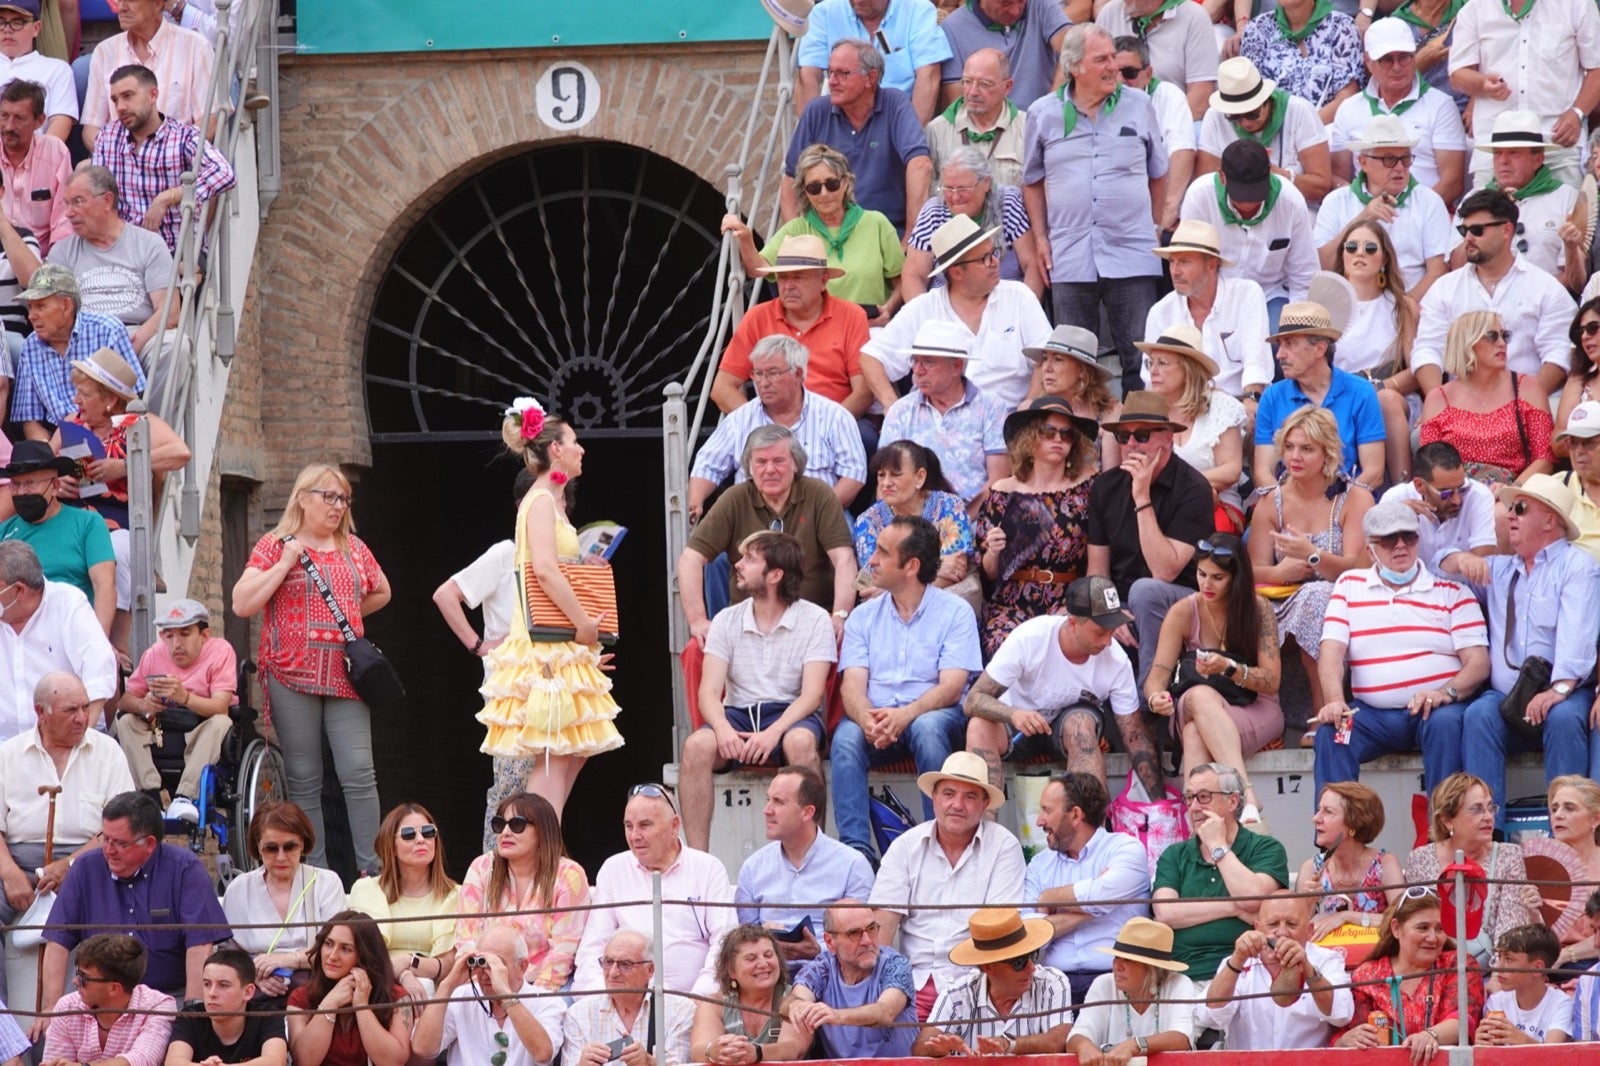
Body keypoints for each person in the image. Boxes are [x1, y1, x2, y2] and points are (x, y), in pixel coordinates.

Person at [230, 462, 391, 875]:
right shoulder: (273, 544)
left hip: (345, 672)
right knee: (304, 777)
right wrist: (284, 564)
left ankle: (372, 872)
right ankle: (314, 874)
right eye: (329, 497)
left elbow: (382, 591)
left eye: (343, 499)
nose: (338, 506)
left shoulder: (353, 547)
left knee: (359, 771)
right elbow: (242, 603)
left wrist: (345, 622)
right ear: (303, 497)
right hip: (291, 673)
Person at [477, 401, 620, 818]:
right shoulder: (539, 501)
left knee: (573, 750)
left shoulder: (551, 502)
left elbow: (551, 564)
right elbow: (541, 569)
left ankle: (546, 846)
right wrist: (582, 624)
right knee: (555, 754)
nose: (581, 449)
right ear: (555, 449)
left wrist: (579, 565)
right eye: (574, 442)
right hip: (546, 644)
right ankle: (538, 846)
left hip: (558, 643)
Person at [1443, 475, 1600, 823]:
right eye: (1510, 508)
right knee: (1478, 715)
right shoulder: (1498, 568)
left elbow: (1579, 633)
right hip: (1508, 695)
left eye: (1520, 508)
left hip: (1564, 691)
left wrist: (1558, 689)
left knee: (1563, 718)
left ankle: (1569, 838)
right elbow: (1437, 566)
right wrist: (1459, 559)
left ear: (1550, 519)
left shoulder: (1579, 566)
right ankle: (1488, 837)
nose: (1510, 515)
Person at [1023, 24, 1168, 396]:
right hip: (1069, 255)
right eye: (1101, 59)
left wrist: (1150, 225)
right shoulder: (1043, 113)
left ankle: (1139, 442)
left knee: (1141, 359)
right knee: (1073, 362)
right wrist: (1041, 238)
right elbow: (1032, 181)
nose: (1113, 69)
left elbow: (1158, 173)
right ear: (1074, 67)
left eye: (1114, 60)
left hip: (1133, 253)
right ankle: (1081, 446)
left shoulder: (1140, 104)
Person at [1311, 498, 1485, 790]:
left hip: (1436, 710)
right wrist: (1334, 701)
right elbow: (1331, 652)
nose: (1401, 545)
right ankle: (1337, 832)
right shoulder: (1349, 585)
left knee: (1446, 724)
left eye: (1409, 536)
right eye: (1390, 539)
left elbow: (1479, 663)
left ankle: (1443, 831)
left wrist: (1445, 693)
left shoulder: (1454, 592)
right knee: (1333, 732)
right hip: (1372, 715)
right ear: (1370, 549)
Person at [835, 515, 980, 863]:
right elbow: (851, 686)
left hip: (934, 714)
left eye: (883, 553)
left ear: (911, 566)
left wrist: (905, 715)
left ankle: (942, 843)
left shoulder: (955, 612)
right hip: (879, 717)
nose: (871, 560)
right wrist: (869, 719)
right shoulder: (862, 616)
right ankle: (856, 854)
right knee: (846, 738)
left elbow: (952, 687)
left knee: (927, 729)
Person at [680, 531, 833, 851]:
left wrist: (773, 733)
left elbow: (811, 695)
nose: (738, 564)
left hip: (790, 714)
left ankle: (815, 853)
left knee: (801, 742)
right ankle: (697, 861)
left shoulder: (815, 619)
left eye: (750, 559)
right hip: (737, 714)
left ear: (775, 574)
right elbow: (708, 692)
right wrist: (722, 730)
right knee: (696, 746)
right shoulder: (726, 620)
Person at [40, 791, 230, 1020]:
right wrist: (51, 1009)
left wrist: (193, 1012)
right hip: (97, 1002)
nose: (108, 850)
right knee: (45, 1039)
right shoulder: (84, 869)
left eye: (119, 843)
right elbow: (57, 941)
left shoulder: (184, 868)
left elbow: (200, 945)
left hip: (167, 1000)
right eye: (105, 839)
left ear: (149, 843)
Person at [0, 670, 130, 1002]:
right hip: (16, 859)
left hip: (92, 859)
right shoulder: (7, 755)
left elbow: (119, 828)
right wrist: (10, 873)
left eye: (84, 708)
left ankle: (92, 1024)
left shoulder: (108, 751)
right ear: (40, 713)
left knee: (112, 925)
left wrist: (69, 865)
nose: (82, 718)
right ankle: (3, 1034)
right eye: (70, 710)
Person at [868, 751, 1026, 1019]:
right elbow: (882, 927)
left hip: (975, 985)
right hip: (908, 985)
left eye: (970, 797)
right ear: (934, 798)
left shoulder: (1003, 846)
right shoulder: (905, 846)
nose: (957, 804)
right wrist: (882, 989)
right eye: (949, 794)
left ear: (985, 803)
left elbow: (999, 929)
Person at [965, 576, 1157, 795]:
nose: (1107, 641)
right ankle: (985, 826)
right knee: (978, 726)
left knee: (1081, 725)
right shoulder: (1031, 637)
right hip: (1016, 729)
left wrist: (1159, 802)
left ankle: (1090, 823)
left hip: (1069, 733)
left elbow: (1134, 735)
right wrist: (1014, 714)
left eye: (1112, 631)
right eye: (1100, 631)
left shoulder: (1116, 658)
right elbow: (973, 700)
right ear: (1073, 623)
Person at [53, 346, 189, 647]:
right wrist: (58, 482)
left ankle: (116, 647)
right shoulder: (72, 422)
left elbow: (181, 453)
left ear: (110, 399)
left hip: (116, 519)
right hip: (73, 513)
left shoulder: (136, 423)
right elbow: (44, 467)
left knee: (119, 552)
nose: (76, 400)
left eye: (85, 394)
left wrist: (125, 466)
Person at [431, 471, 536, 850]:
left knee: (541, 800)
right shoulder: (505, 554)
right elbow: (446, 594)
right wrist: (478, 645)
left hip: (551, 694)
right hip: (509, 695)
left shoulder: (557, 559)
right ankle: (492, 883)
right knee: (510, 794)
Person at [1145, 533, 1282, 818]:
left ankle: (1199, 838)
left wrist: (1227, 668)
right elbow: (1158, 674)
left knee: (1196, 732)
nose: (1206, 584)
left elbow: (1271, 680)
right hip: (1194, 703)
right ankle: (1246, 794)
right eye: (1201, 574)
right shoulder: (1183, 611)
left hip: (1254, 707)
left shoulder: (1258, 609)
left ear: (1236, 577)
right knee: (1198, 696)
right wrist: (1156, 697)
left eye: (1217, 577)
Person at [1249, 407, 1374, 715]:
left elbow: (1360, 569)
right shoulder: (1269, 501)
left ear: (1328, 452)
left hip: (1343, 603)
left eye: (1307, 449)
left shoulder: (1354, 498)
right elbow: (1249, 570)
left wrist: (1312, 556)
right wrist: (1279, 573)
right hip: (1279, 605)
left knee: (1317, 595)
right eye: (1289, 447)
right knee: (1305, 598)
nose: (1295, 456)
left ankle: (1324, 709)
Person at [679, 424, 856, 641]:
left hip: (811, 624)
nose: (769, 469)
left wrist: (839, 615)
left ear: (796, 464)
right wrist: (698, 621)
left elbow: (844, 558)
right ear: (749, 468)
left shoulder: (819, 494)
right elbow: (690, 559)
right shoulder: (734, 498)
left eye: (778, 461)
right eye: (761, 462)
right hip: (747, 627)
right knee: (695, 651)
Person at [1085, 392, 1214, 679]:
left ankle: (1150, 700)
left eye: (1141, 435)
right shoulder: (1105, 487)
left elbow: (1164, 571)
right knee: (1071, 613)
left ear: (1167, 438)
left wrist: (1141, 495)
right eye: (1123, 436)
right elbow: (1097, 570)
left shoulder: (1194, 489)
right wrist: (1109, 611)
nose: (1130, 445)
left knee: (1146, 591)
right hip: (1120, 602)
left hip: (1181, 600)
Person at [863, 215, 1049, 413]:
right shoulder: (924, 308)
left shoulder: (1019, 297)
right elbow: (871, 358)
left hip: (1009, 419)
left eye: (993, 253)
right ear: (957, 273)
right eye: (984, 258)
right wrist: (894, 408)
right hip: (937, 422)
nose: (995, 262)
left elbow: (1046, 356)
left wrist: (1030, 403)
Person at [573, 784, 735, 997]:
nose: (634, 836)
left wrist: (697, 1001)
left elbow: (725, 943)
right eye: (628, 826)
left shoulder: (707, 868)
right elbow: (592, 949)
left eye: (645, 825)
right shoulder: (614, 869)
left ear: (674, 825)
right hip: (627, 1001)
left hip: (696, 999)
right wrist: (604, 998)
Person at [1412, 190, 1574, 398]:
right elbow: (1427, 350)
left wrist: (1523, 404)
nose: (1468, 238)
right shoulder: (1444, 288)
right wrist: (1440, 402)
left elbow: (1558, 355)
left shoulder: (1546, 288)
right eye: (1464, 230)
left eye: (1477, 230)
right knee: (1419, 432)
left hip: (1529, 404)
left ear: (1507, 230)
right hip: (1460, 405)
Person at [690, 335, 867, 522]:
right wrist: (696, 500)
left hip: (821, 516)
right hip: (751, 519)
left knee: (846, 541)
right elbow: (707, 465)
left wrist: (816, 513)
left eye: (772, 373)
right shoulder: (739, 419)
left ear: (798, 374)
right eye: (757, 374)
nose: (763, 383)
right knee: (707, 547)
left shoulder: (834, 416)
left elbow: (854, 473)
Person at [974, 396, 1099, 656]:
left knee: (1061, 648)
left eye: (1066, 434)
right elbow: (989, 573)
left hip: (1067, 598)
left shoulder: (1088, 488)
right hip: (1011, 601)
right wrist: (994, 551)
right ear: (1031, 437)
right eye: (1048, 432)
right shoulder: (1002, 491)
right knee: (1003, 647)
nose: (1058, 439)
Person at [722, 144, 904, 322]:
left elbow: (902, 281)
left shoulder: (876, 223)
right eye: (814, 188)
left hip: (870, 330)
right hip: (818, 335)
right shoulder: (796, 229)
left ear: (846, 182)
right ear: (805, 192)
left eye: (831, 184)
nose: (824, 194)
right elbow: (758, 269)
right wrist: (745, 238)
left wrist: (887, 311)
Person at [1151, 763, 1290, 979]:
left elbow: (1252, 899)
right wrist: (1234, 908)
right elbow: (1165, 913)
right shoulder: (1174, 854)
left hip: (1250, 973)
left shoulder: (1266, 848)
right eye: (1189, 798)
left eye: (1204, 797)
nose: (1194, 807)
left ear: (1232, 801)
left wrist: (1218, 846)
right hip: (1185, 976)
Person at [1024, 772, 1151, 1005]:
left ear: (1075, 815)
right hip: (1054, 983)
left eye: (1047, 810)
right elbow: (1030, 936)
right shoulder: (1039, 865)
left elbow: (1099, 896)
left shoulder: (1126, 849)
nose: (1039, 821)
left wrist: (1048, 898)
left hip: (1117, 980)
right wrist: (1096, 906)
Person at [710, 233, 871, 417]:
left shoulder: (852, 316)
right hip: (771, 427)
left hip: (834, 421)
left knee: (865, 436)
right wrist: (761, 424)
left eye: (798, 277)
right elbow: (721, 388)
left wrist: (827, 426)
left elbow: (863, 393)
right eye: (783, 278)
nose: (788, 286)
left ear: (824, 280)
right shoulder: (757, 317)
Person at [43, 164, 177, 382]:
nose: (69, 213)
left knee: (173, 347)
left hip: (138, 334)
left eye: (78, 201)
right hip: (86, 339)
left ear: (107, 200)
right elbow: (56, 315)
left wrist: (131, 344)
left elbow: (170, 311)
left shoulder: (149, 244)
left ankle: (150, 416)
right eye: (67, 204)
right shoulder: (62, 252)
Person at [1448, 0, 1600, 188]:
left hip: (1557, 141)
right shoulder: (1475, 8)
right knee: (1486, 216)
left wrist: (1578, 113)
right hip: (1494, 147)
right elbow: (1457, 74)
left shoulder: (1577, 4)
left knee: (1565, 216)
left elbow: (1597, 68)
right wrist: (1482, 84)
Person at [785, 39, 931, 233]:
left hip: (886, 233)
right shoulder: (817, 111)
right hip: (827, 234)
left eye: (842, 73)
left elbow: (920, 163)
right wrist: (797, 238)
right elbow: (790, 178)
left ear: (871, 78)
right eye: (830, 72)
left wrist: (912, 236)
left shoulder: (895, 104)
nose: (833, 82)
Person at [90, 63, 234, 255]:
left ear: (153, 95)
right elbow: (98, 195)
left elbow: (224, 173)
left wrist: (168, 197)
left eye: (128, 96)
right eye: (115, 100)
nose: (120, 107)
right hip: (125, 254)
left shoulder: (183, 136)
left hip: (176, 252)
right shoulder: (107, 137)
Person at [114, 598, 235, 824]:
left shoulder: (221, 651)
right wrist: (143, 704)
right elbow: (125, 700)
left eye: (185, 634)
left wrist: (185, 697)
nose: (176, 644)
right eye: (169, 636)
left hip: (202, 726)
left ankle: (185, 797)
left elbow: (221, 705)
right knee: (126, 722)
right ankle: (148, 798)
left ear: (204, 635)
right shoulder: (154, 654)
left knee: (222, 722)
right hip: (162, 727)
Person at [872, 320, 1012, 510]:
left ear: (956, 366)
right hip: (911, 521)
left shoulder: (991, 407)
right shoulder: (901, 410)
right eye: (915, 360)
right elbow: (885, 482)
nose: (917, 371)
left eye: (928, 362)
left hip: (975, 517)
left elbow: (998, 481)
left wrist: (959, 523)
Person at [455, 792, 588, 992]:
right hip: (486, 981)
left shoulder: (568, 874)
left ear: (542, 831)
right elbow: (467, 939)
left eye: (517, 824)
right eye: (500, 824)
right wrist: (485, 983)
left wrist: (531, 999)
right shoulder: (481, 867)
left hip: (545, 986)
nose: (506, 832)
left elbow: (564, 949)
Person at [1329, 19, 1468, 207]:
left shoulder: (1441, 105)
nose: (1396, 67)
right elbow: (1339, 176)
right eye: (1387, 59)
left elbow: (1452, 182)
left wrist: (1411, 214)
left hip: (1423, 213)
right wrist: (1364, 211)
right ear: (1368, 62)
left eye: (1404, 57)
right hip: (1363, 218)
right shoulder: (1349, 108)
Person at [220, 802, 347, 1003]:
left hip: (315, 994)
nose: (281, 857)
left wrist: (289, 960)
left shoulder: (326, 883)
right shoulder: (239, 889)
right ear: (258, 847)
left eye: (290, 847)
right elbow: (228, 956)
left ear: (303, 844)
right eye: (271, 848)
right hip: (254, 995)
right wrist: (254, 976)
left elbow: (340, 950)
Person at [1402, 772, 1535, 965]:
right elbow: (1420, 926)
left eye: (1490, 808)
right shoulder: (1420, 859)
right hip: (1436, 970)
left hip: (1493, 972)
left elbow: (1510, 930)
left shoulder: (1509, 856)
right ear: (1447, 820)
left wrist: (1499, 976)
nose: (1488, 817)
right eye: (1477, 810)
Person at [1180, 139, 1317, 325]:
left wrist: (1295, 328)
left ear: (1270, 172)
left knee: (1281, 340)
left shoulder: (1291, 202)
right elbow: (1190, 265)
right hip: (1212, 297)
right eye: (1241, 195)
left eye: (1255, 193)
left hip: (1268, 296)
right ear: (1222, 177)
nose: (1248, 203)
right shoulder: (1199, 197)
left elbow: (1304, 276)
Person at [1315, 116, 1452, 301]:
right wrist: (1363, 219)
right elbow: (1323, 265)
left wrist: (1402, 311)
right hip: (1350, 307)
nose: (1399, 167)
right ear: (1363, 163)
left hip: (1410, 306)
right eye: (1389, 159)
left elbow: (1438, 271)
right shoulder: (1336, 201)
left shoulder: (1429, 201)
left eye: (1405, 158)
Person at [1252, 304, 1387, 490]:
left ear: (1320, 349)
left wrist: (1335, 508)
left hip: (1347, 503)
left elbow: (1374, 473)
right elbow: (1263, 472)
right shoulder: (1272, 396)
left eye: (1289, 343)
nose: (1279, 354)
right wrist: (1286, 505)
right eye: (1280, 344)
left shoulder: (1361, 392)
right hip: (1291, 504)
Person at [1334, 891, 1484, 1057]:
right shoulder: (1367, 975)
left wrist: (1430, 1036)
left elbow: (1464, 1019)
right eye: (1422, 928)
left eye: (1440, 929)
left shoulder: (1459, 964)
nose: (1432, 938)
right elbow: (1349, 1034)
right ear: (1396, 928)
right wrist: (1346, 1040)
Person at [736, 767, 873, 946]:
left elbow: (861, 939)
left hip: (832, 969)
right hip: (770, 969)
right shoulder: (753, 867)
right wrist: (774, 947)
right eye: (768, 799)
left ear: (807, 812)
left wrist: (819, 952)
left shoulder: (852, 865)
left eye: (778, 802)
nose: (767, 810)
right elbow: (746, 939)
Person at [1200, 892, 1355, 1048]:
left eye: (1291, 924)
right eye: (1273, 924)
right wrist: (1237, 959)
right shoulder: (1237, 960)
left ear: (1309, 931)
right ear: (1258, 928)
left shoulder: (1327, 959)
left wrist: (1306, 967)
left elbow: (1341, 1014)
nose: (1281, 932)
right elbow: (1209, 1017)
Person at [1143, 219, 1272, 407]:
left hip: (1239, 403)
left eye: (1184, 262)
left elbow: (1256, 360)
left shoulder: (1246, 294)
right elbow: (1151, 379)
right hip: (1183, 409)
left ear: (1211, 265)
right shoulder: (1160, 312)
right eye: (1172, 262)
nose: (1174, 271)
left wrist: (1251, 401)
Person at [1329, 220, 1420, 481]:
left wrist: (1379, 388)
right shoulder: (1325, 306)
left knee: (1386, 401)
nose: (1360, 253)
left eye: (1370, 248)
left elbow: (1416, 370)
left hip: (1387, 391)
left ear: (1384, 259)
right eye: (1352, 246)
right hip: (1336, 393)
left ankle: (1402, 487)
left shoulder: (1402, 306)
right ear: (1343, 256)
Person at [1420, 311, 1555, 487]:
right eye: (1491, 336)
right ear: (1467, 343)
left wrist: (1511, 490)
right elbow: (1430, 465)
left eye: (1504, 336)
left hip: (1514, 491)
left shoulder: (1528, 388)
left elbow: (1545, 459)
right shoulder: (1438, 398)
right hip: (1458, 494)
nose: (1502, 343)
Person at [12, 262, 143, 443]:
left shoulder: (108, 330)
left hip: (111, 436)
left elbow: (134, 403)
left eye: (40, 306)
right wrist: (51, 455)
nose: (31, 315)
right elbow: (30, 420)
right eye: (30, 307)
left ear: (66, 306)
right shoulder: (30, 346)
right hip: (59, 440)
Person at [913, 907, 1072, 1056]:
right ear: (988, 967)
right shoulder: (957, 994)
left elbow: (1058, 1041)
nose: (1031, 968)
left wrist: (1008, 1044)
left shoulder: (1051, 982)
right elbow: (920, 1047)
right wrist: (937, 1048)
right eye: (1019, 962)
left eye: (1033, 955)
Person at [0, 540, 115, 741]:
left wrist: (77, 743)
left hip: (67, 740)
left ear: (19, 590)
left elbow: (100, 672)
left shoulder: (67, 603)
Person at [0, 438, 115, 632]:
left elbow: (104, 584)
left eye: (30, 483)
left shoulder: (87, 524)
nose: (21, 492)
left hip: (70, 631)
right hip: (14, 637)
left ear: (54, 486)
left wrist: (98, 641)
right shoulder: (4, 531)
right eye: (16, 484)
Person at [1466, 111, 1587, 292]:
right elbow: (1459, 265)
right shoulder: (1474, 200)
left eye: (1513, 153)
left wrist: (1537, 298)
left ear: (1538, 159)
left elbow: (1574, 278)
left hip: (1546, 305)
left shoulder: (1568, 198)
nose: (1503, 161)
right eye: (1497, 154)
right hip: (1483, 301)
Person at [409, 927, 566, 1066]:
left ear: (522, 967)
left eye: (497, 964)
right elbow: (423, 1048)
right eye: (482, 962)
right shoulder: (462, 996)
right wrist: (447, 985)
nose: (487, 973)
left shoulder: (547, 1002)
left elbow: (543, 1054)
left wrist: (505, 994)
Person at [1139, 322, 1247, 517]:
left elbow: (1231, 471)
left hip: (1216, 504)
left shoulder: (1222, 407)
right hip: (1158, 504)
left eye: (1162, 363)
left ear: (1188, 369)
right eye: (1150, 362)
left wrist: (1182, 486)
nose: (1153, 370)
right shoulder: (1146, 407)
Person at [903, 147, 1040, 299]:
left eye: (963, 189)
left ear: (986, 183)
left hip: (1007, 303)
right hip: (946, 311)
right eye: (948, 188)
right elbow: (914, 275)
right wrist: (925, 320)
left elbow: (1032, 265)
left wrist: (1024, 312)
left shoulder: (1007, 202)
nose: (955, 197)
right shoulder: (934, 211)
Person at [786, 900, 917, 1059]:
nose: (867, 941)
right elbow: (791, 1001)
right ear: (829, 942)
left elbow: (885, 1012)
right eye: (854, 933)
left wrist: (835, 1016)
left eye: (872, 929)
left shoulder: (895, 963)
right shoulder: (822, 967)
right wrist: (797, 1006)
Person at [347, 802, 460, 984]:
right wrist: (402, 975)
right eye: (409, 834)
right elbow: (360, 953)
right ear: (390, 846)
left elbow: (447, 963)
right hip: (376, 983)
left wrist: (409, 962)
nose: (421, 839)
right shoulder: (365, 888)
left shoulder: (456, 894)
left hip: (432, 988)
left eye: (428, 832)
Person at [850, 440, 976, 601]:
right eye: (881, 475)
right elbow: (873, 583)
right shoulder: (867, 522)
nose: (886, 483)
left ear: (920, 477)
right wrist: (936, 570)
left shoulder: (949, 505)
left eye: (895, 474)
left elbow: (955, 569)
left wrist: (896, 587)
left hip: (943, 599)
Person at [1197, 57, 1334, 204]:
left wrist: (1280, 177)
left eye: (1252, 114)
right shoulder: (1215, 116)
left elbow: (1321, 186)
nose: (1244, 123)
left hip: (1293, 207)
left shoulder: (1299, 111)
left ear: (1266, 100)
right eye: (1234, 117)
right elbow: (1207, 187)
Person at [1064, 917, 1198, 1066]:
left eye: (1127, 960)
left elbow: (1181, 1038)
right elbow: (1077, 1035)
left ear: (1151, 968)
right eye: (1116, 957)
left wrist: (1134, 1045)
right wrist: (1084, 1046)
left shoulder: (1179, 984)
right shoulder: (1103, 984)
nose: (1117, 966)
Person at [81, 0, 213, 151]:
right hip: (119, 165)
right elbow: (91, 129)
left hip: (175, 165)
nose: (121, 8)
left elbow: (209, 121)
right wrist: (120, 158)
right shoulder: (104, 51)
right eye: (119, 0)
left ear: (157, 4)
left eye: (130, 0)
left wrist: (171, 154)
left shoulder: (196, 46)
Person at [285, 911, 410, 1066]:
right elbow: (304, 1061)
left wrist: (362, 1006)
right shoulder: (301, 997)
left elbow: (393, 1062)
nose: (332, 956)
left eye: (346, 949)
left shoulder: (397, 998)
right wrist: (330, 1004)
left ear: (365, 956)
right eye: (328, 944)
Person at [795, 0, 951, 124]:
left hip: (899, 120)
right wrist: (814, 138)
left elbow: (929, 77)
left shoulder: (918, 10)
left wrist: (910, 137)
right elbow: (808, 75)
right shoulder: (823, 13)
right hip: (841, 122)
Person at [561, 930, 695, 1066]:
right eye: (608, 962)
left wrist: (650, 1063)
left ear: (650, 970)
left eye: (625, 965)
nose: (613, 973)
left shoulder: (679, 1010)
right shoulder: (579, 1014)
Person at [688, 924, 813, 1064]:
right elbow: (698, 1049)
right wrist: (714, 1051)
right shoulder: (714, 1004)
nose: (763, 963)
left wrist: (756, 1053)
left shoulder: (793, 999)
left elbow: (793, 1049)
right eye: (751, 958)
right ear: (731, 970)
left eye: (769, 955)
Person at [41, 934, 173, 1066]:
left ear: (114, 988)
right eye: (77, 973)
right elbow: (54, 1063)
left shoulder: (158, 1006)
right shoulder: (67, 1006)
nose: (75, 981)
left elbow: (142, 1060)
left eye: (83, 978)